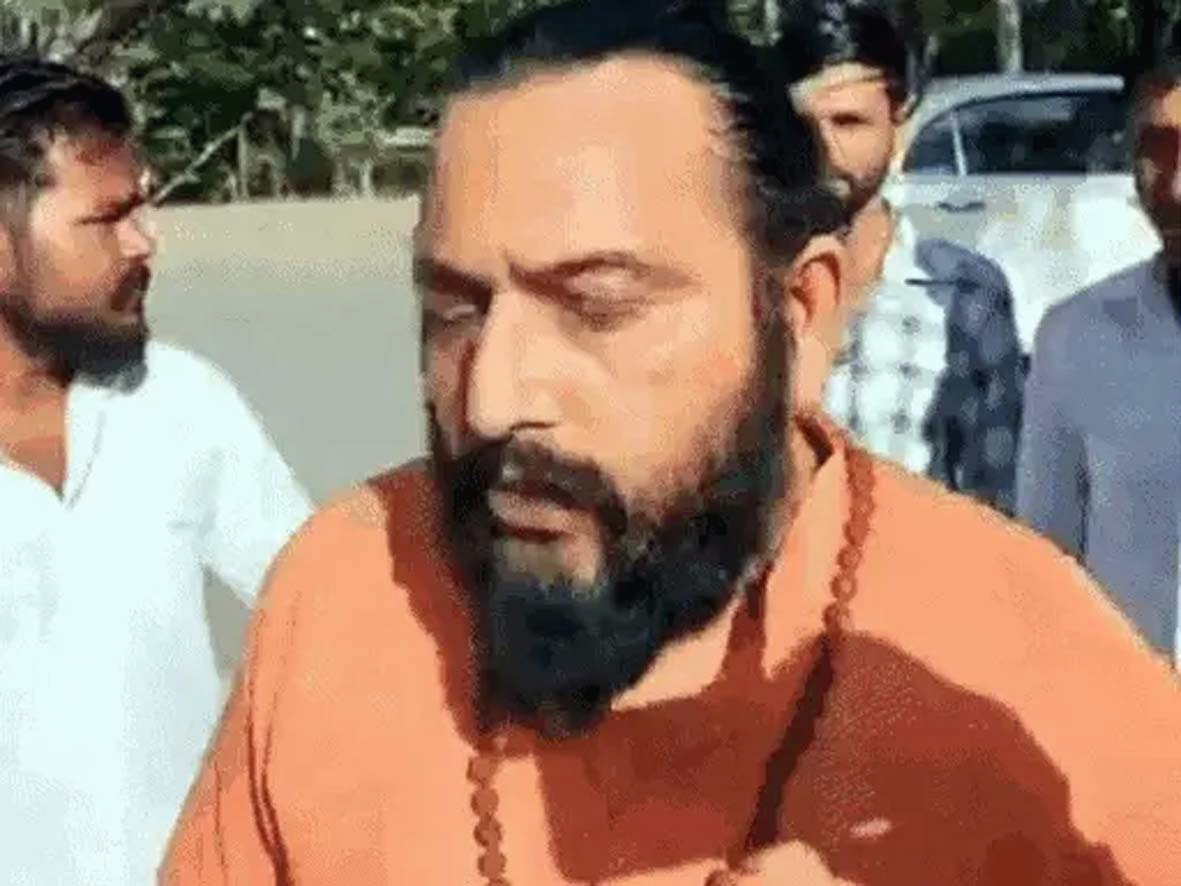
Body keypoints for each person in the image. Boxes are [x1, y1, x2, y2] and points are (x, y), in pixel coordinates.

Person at [163, 2, 1181, 884]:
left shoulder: (1031, 677)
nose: (492, 398)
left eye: (595, 307)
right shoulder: (341, 594)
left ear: (799, 315)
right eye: (453, 310)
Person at [0, 58, 312, 885]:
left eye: (142, 206)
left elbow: (318, 605)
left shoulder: (179, 400)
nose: (144, 242)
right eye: (107, 218)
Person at [779, 0, 1026, 514]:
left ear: (899, 128)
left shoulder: (965, 298)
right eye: (803, 126)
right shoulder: (743, 287)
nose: (824, 150)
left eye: (849, 122)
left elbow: (994, 502)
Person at [1017, 43, 1181, 668]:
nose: (1177, 184)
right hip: (1125, 713)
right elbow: (1044, 571)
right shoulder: (1077, 338)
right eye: (1157, 148)